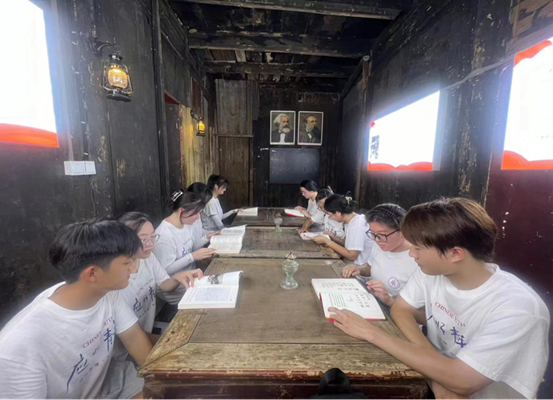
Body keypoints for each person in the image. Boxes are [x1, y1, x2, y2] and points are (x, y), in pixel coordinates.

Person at [329, 198, 550, 399]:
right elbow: (401, 309)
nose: (412, 254)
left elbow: (462, 381)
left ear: (455, 253)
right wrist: (435, 373)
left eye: (417, 248)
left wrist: (370, 332)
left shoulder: (517, 308)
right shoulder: (433, 272)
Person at [0, 219, 153, 399]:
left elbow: (134, 338)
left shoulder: (106, 293)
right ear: (92, 273)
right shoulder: (18, 346)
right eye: (127, 263)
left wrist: (160, 383)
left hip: (112, 382)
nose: (134, 269)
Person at [115, 212, 204, 355]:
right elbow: (131, 336)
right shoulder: (116, 279)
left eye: (153, 237)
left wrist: (176, 278)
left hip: (148, 334)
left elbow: (164, 284)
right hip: (128, 351)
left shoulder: (147, 258)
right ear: (124, 239)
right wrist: (172, 342)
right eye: (143, 239)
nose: (151, 244)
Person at [342, 204, 419, 307]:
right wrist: (359, 269)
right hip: (370, 301)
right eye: (373, 234)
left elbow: (420, 311)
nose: (377, 240)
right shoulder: (379, 245)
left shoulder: (417, 260)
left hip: (393, 312)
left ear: (402, 231)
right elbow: (370, 267)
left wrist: (389, 300)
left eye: (382, 235)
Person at [154, 190, 216, 304]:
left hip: (190, 276)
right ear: (182, 211)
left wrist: (206, 239)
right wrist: (192, 257)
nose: (197, 218)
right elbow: (165, 269)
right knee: (211, 296)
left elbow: (190, 247)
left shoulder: (186, 224)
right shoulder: (164, 235)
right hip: (173, 285)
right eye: (195, 213)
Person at [312, 193, 374, 265]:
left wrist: (327, 241)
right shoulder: (351, 221)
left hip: (357, 268)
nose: (330, 218)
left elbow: (352, 256)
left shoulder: (357, 226)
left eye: (330, 215)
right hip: (351, 264)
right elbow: (351, 245)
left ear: (338, 213)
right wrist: (336, 238)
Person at [188, 182, 220, 248]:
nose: (204, 206)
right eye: (203, 203)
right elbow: (192, 247)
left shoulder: (197, 213)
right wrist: (206, 238)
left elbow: (199, 231)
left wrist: (213, 233)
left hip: (200, 249)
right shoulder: (187, 218)